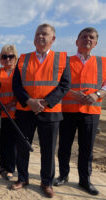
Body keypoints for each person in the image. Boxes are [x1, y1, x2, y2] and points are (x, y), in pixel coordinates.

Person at [12, 23, 71, 198]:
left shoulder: (62, 58)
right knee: (22, 147)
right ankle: (22, 178)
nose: (40, 37)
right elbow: (17, 85)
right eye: (38, 34)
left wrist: (45, 103)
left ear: (53, 38)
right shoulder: (23, 58)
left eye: (44, 34)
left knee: (48, 150)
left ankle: (47, 182)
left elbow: (65, 85)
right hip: (25, 110)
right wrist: (30, 101)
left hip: (50, 112)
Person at [54, 27, 106, 196]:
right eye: (84, 37)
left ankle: (85, 180)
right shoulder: (65, 61)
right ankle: (63, 175)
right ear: (77, 41)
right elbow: (57, 83)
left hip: (91, 110)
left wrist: (97, 94)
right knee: (64, 146)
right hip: (68, 110)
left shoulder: (102, 62)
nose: (87, 39)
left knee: (87, 148)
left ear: (96, 43)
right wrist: (69, 93)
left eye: (91, 38)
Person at [0, 45, 18, 180]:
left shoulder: (18, 72)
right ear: (1, 59)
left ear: (15, 58)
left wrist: (11, 104)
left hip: (13, 113)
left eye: (10, 56)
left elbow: (22, 93)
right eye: (4, 56)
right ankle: (2, 165)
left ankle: (10, 168)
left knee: (11, 142)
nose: (8, 59)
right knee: (1, 140)